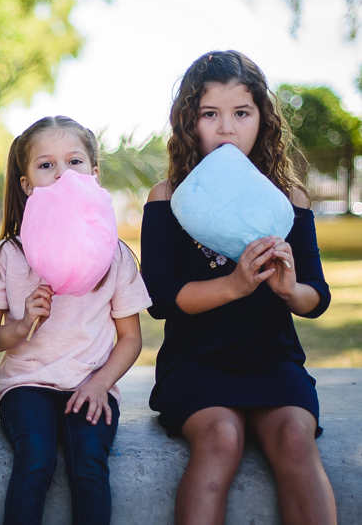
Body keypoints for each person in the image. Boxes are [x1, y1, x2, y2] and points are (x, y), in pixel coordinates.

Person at [141, 50, 337, 525]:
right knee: (221, 437)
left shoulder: (287, 200)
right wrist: (234, 284)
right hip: (196, 364)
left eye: (241, 113)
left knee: (295, 435)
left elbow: (317, 296)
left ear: (262, 121)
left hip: (272, 359)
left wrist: (290, 290)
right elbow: (161, 297)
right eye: (211, 114)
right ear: (190, 123)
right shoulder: (169, 197)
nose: (226, 128)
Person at [0, 115, 148, 525]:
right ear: (26, 184)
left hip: (91, 382)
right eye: (46, 165)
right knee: (35, 457)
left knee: (88, 461)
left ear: (93, 174)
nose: (61, 174)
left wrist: (100, 383)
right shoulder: (9, 256)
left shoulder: (115, 256)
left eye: (73, 162)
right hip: (27, 384)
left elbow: (130, 338)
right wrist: (22, 326)